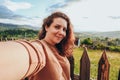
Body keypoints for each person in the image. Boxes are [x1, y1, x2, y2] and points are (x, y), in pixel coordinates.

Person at [0, 11, 75, 80]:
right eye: (57, 27)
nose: (61, 32)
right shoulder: (40, 46)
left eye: (64, 29)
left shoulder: (59, 49)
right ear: (46, 27)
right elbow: (28, 54)